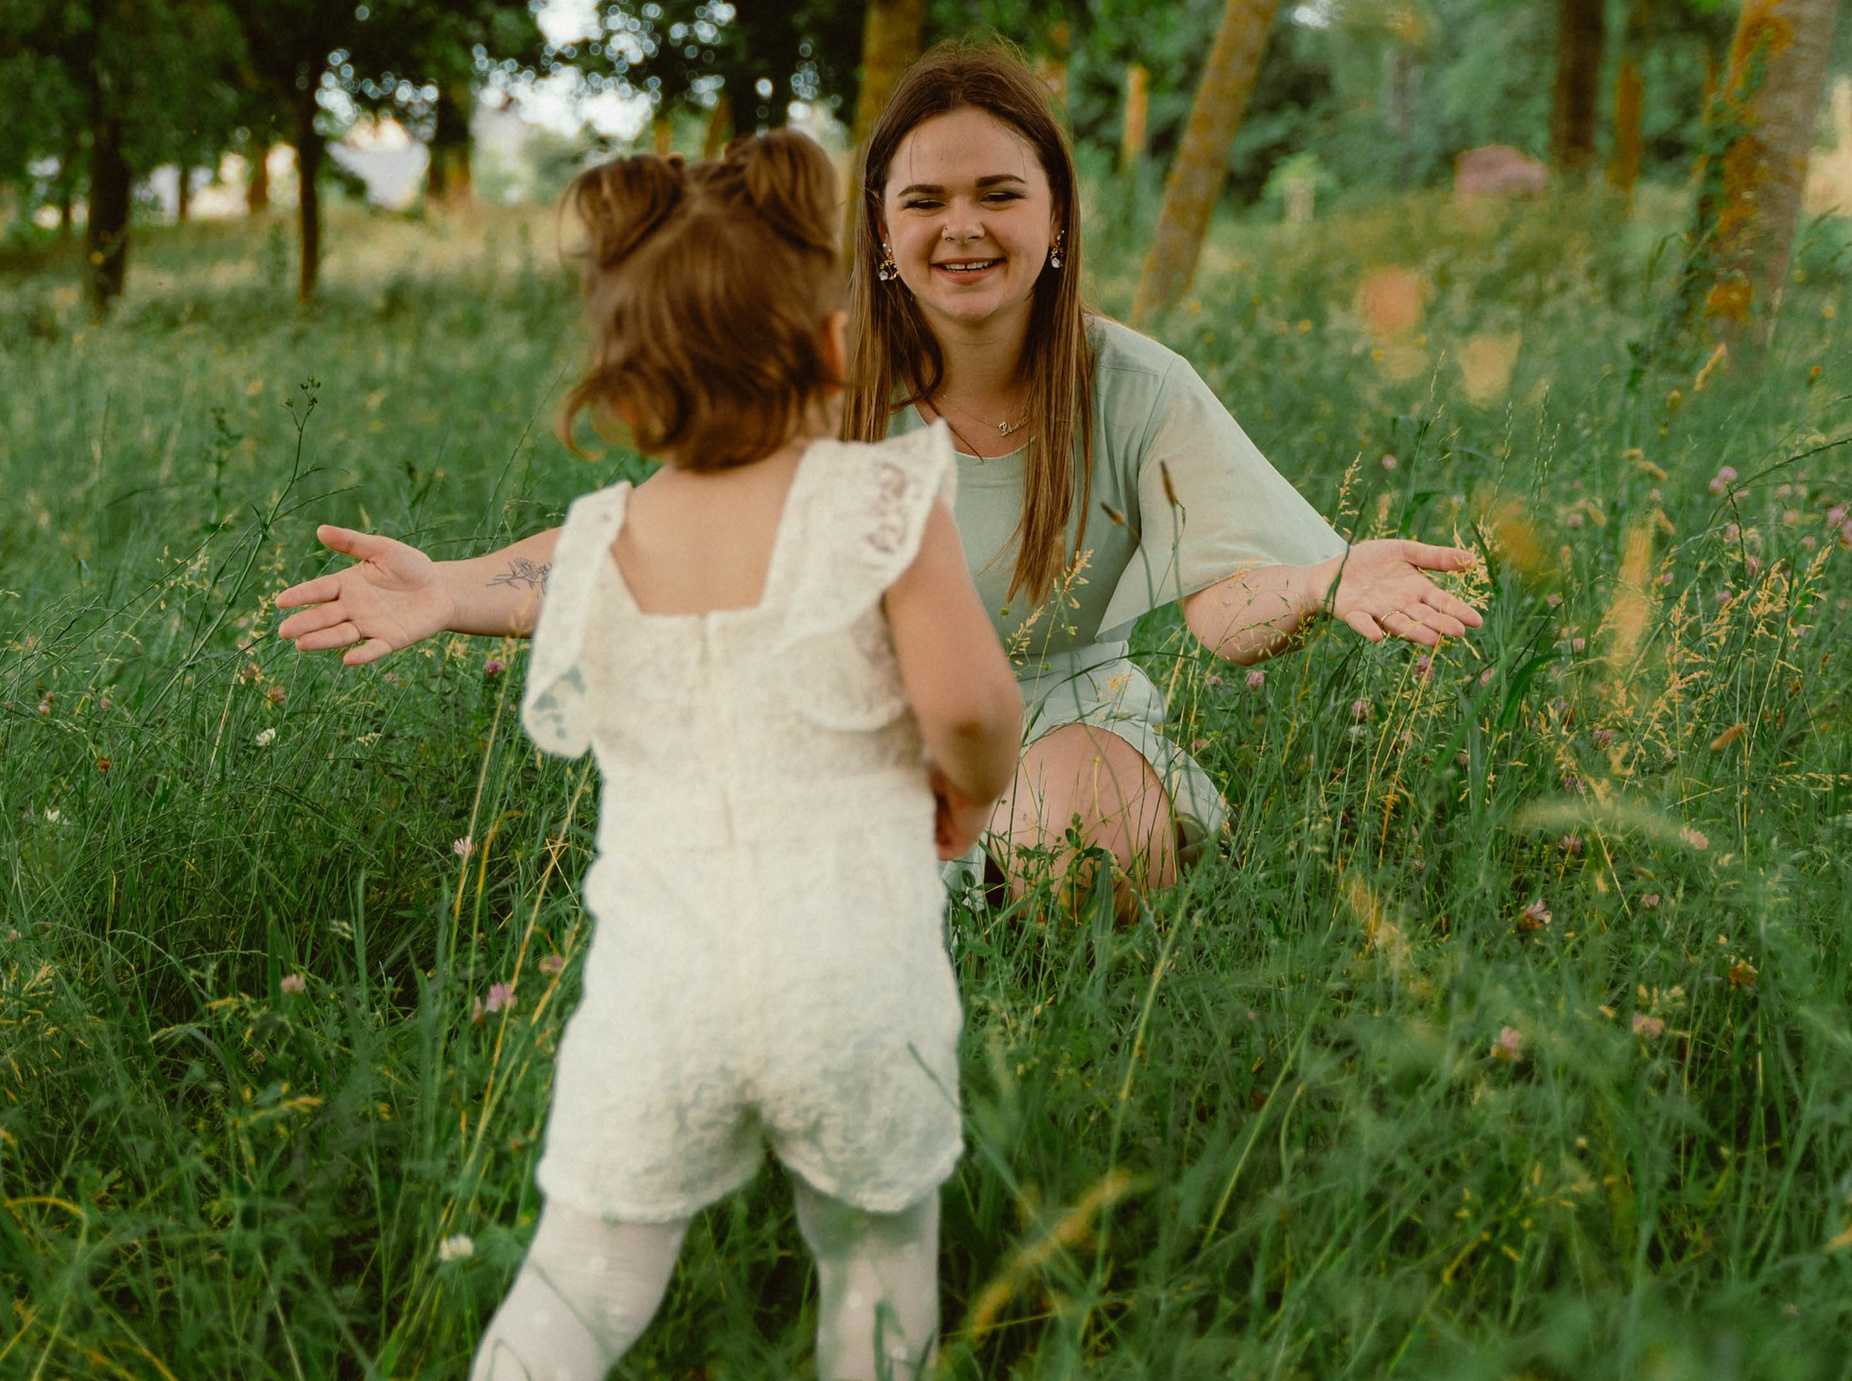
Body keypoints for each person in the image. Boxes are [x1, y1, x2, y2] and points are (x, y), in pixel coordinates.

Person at [284, 131, 1022, 1381]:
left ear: (620, 385)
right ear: (829, 341)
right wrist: (970, 795)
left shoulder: (607, 539)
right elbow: (975, 709)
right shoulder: (880, 502)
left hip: (659, 1001)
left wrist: (443, 593)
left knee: (579, 1280)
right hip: (852, 975)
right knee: (875, 1253)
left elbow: (547, 586)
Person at [274, 44, 1483, 893]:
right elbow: (642, 546)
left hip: (1067, 729)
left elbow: (1223, 609)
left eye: (1001, 194)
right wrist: (451, 588)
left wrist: (1325, 579)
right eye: (928, 200)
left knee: (1086, 820)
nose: (964, 225)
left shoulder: (1135, 384)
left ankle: (1063, 1026)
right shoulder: (824, 385)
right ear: (885, 234)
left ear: (1056, 219)